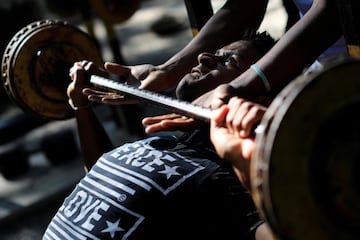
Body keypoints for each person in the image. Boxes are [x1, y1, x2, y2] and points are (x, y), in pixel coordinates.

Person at [43, 32, 277, 240]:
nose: (204, 57)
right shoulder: (161, 142)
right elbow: (103, 180)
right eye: (216, 53)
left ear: (257, 100)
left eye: (229, 61)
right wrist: (82, 108)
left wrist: (244, 161)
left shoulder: (223, 178)